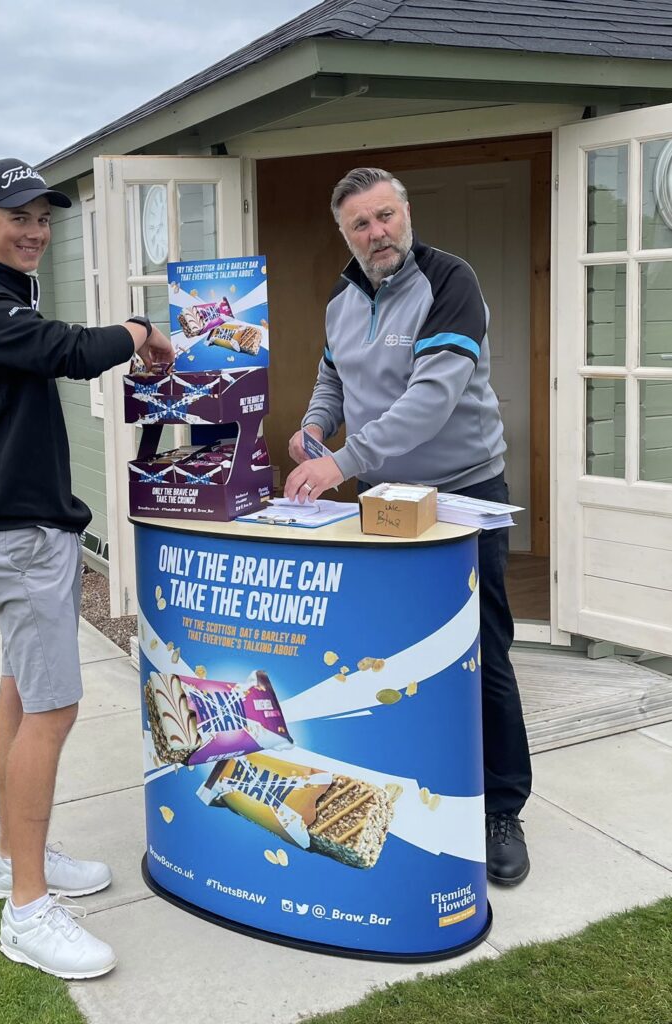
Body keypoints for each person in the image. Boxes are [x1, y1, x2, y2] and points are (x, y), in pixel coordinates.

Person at [0, 157, 173, 978]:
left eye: (43, 218)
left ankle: (17, 858)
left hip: (24, 535)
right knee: (52, 708)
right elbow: (72, 352)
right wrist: (142, 330)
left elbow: (57, 349)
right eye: (19, 217)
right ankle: (27, 911)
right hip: (23, 537)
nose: (35, 231)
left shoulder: (6, 302)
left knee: (21, 693)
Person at [285, 166, 531, 887]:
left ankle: (500, 809)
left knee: (480, 650)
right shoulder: (341, 299)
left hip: (461, 493)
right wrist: (314, 427)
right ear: (345, 234)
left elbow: (431, 398)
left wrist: (339, 462)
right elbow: (333, 378)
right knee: (387, 654)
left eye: (385, 215)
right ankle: (401, 792)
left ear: (406, 212)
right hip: (383, 497)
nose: (376, 233)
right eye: (359, 224)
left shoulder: (449, 281)